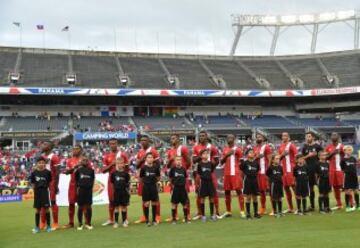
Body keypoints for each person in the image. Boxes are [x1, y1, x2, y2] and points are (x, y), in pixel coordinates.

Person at [192, 131, 220, 220]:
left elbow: (217, 160)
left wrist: (212, 166)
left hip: (210, 173)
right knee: (199, 194)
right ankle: (200, 213)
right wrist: (201, 156)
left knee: (213, 193)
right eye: (200, 136)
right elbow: (193, 160)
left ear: (207, 137)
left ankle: (216, 212)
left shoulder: (212, 147)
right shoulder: (196, 147)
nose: (201, 137)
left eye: (203, 136)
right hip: (200, 174)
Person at [102, 139, 129, 226]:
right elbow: (103, 170)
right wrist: (112, 164)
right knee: (111, 200)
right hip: (112, 180)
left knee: (124, 200)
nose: (112, 145)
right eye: (111, 144)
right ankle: (111, 219)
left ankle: (125, 219)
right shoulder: (107, 156)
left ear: (117, 144)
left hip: (122, 180)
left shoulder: (123, 155)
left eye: (114, 143)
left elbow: (127, 169)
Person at [166, 134, 191, 221]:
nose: (172, 140)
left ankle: (188, 215)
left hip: (181, 177)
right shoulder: (170, 151)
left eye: (174, 138)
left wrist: (182, 171)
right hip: (174, 177)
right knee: (174, 197)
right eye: (171, 138)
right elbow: (168, 166)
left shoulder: (183, 148)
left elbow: (189, 162)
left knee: (185, 197)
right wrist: (171, 160)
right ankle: (175, 215)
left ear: (178, 139)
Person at [136, 135, 161, 224]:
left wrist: (151, 170)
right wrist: (142, 159)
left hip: (152, 178)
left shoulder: (153, 151)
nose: (143, 142)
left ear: (148, 141)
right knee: (144, 199)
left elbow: (158, 164)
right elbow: (137, 166)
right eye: (141, 140)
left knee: (155, 199)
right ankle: (145, 217)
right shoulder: (140, 152)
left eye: (145, 140)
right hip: (144, 179)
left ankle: (157, 216)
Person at [220, 134, 245, 218]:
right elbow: (221, 162)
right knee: (227, 191)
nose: (229, 139)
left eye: (231, 137)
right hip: (227, 173)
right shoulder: (225, 149)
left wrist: (240, 172)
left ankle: (242, 211)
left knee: (238, 191)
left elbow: (242, 162)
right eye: (228, 137)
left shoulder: (238, 149)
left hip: (235, 173)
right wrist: (227, 155)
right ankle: (228, 211)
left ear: (234, 139)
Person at [40, 141, 61, 230]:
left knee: (53, 202)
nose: (42, 145)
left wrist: (56, 185)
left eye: (45, 144)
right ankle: (43, 223)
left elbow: (57, 172)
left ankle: (55, 223)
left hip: (51, 182)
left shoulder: (54, 157)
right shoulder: (42, 157)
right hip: (42, 182)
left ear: (49, 147)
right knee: (42, 203)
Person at [30, 156, 52, 234]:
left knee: (47, 209)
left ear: (45, 164)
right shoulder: (34, 173)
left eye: (43, 163)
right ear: (37, 164)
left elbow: (49, 182)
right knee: (37, 210)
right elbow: (32, 183)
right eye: (39, 163)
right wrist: (34, 190)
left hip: (45, 192)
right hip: (37, 192)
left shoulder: (48, 172)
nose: (41, 164)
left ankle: (48, 226)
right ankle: (37, 227)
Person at [302, 131, 322, 211]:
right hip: (308, 170)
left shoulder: (317, 146)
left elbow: (324, 155)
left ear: (313, 137)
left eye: (309, 136)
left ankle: (323, 206)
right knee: (310, 188)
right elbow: (302, 158)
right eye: (306, 137)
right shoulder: (304, 147)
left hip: (317, 170)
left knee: (320, 187)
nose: (308, 138)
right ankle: (312, 206)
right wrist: (308, 155)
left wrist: (317, 155)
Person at [63, 145, 83, 229]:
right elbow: (66, 172)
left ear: (81, 150)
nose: (75, 150)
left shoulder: (84, 160)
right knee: (71, 203)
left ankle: (83, 222)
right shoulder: (70, 160)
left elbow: (90, 171)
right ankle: (71, 222)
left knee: (82, 204)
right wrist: (75, 167)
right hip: (73, 184)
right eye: (73, 149)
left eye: (77, 149)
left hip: (82, 184)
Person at [278, 132, 297, 213]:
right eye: (282, 136)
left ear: (288, 137)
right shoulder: (281, 146)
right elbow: (278, 158)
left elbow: (297, 156)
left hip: (291, 169)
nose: (284, 137)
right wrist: (282, 155)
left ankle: (299, 207)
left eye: (285, 135)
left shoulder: (291, 145)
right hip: (284, 170)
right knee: (286, 188)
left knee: (294, 187)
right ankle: (291, 208)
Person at [253, 133, 272, 215]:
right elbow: (253, 159)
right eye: (257, 137)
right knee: (261, 191)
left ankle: (274, 208)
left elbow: (270, 159)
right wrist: (257, 157)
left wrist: (270, 171)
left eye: (260, 137)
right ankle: (263, 208)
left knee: (270, 190)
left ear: (264, 139)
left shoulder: (266, 147)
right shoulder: (255, 148)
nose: (258, 138)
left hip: (265, 172)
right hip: (258, 172)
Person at [139, 153, 161, 226]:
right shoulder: (143, 168)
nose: (150, 159)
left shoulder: (156, 168)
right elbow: (141, 178)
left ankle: (154, 220)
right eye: (148, 157)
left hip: (153, 187)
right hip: (146, 187)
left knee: (154, 203)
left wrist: (153, 181)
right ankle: (147, 220)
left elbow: (158, 177)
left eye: (151, 157)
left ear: (153, 159)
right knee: (146, 203)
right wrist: (146, 182)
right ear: (146, 159)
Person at [325, 132, 345, 209]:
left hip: (340, 170)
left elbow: (346, 156)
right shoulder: (328, 147)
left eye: (335, 135)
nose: (334, 136)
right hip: (331, 170)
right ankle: (339, 203)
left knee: (345, 187)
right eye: (332, 135)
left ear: (338, 137)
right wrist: (333, 153)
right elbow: (325, 157)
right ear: (330, 138)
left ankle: (351, 202)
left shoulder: (342, 146)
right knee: (335, 187)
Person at [169, 156, 190, 224]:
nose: (178, 161)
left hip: (182, 188)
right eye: (177, 160)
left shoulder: (183, 169)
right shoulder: (173, 169)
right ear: (175, 161)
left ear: (181, 161)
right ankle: (174, 219)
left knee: (185, 204)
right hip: (176, 188)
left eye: (180, 160)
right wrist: (172, 187)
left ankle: (186, 219)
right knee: (174, 204)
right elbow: (170, 178)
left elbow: (186, 178)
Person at [75, 156, 95, 230]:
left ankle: (88, 223)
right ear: (81, 161)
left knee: (89, 206)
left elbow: (93, 179)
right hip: (81, 190)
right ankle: (80, 224)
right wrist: (79, 187)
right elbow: (76, 179)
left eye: (86, 160)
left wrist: (90, 187)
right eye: (83, 160)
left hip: (88, 190)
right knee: (80, 207)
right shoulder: (78, 170)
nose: (85, 161)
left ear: (88, 161)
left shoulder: (91, 170)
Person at [197, 150, 217, 222]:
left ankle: (212, 215)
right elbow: (199, 173)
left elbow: (211, 171)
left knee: (211, 198)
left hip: (210, 182)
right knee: (202, 198)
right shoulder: (199, 164)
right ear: (201, 156)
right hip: (203, 183)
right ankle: (203, 215)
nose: (206, 155)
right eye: (204, 154)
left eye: (207, 153)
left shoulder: (210, 164)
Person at [111, 157, 131, 228]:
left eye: (121, 163)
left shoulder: (126, 174)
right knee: (116, 208)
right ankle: (116, 222)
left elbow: (128, 183)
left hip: (124, 192)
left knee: (124, 207)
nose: (120, 165)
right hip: (116, 192)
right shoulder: (113, 174)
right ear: (116, 164)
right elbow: (112, 183)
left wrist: (128, 192)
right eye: (118, 163)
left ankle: (124, 221)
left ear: (123, 164)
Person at [241, 149, 261, 219]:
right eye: (250, 152)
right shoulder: (245, 163)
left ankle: (256, 213)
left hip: (255, 181)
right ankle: (248, 214)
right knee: (248, 197)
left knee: (255, 197)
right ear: (247, 155)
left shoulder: (256, 163)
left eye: (253, 152)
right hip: (248, 181)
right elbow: (242, 170)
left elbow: (258, 169)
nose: (252, 154)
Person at [340, 145, 360, 212]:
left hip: (354, 177)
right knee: (347, 192)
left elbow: (355, 167)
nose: (348, 151)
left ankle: (358, 205)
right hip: (347, 177)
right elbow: (342, 169)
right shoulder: (343, 160)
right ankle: (348, 206)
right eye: (347, 150)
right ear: (344, 151)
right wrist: (347, 172)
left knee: (356, 191)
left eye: (350, 150)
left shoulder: (353, 158)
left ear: (351, 151)